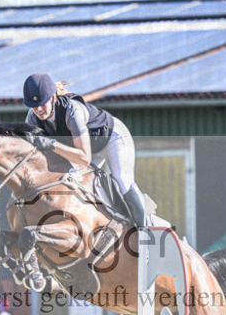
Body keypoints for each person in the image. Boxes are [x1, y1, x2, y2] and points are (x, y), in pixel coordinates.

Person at [21, 73, 146, 227]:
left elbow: (84, 159)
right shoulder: (32, 118)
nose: (39, 109)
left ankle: (144, 232)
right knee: (70, 182)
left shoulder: (71, 110)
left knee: (122, 180)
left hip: (112, 139)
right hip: (87, 149)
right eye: (34, 105)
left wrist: (53, 144)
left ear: (53, 98)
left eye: (42, 103)